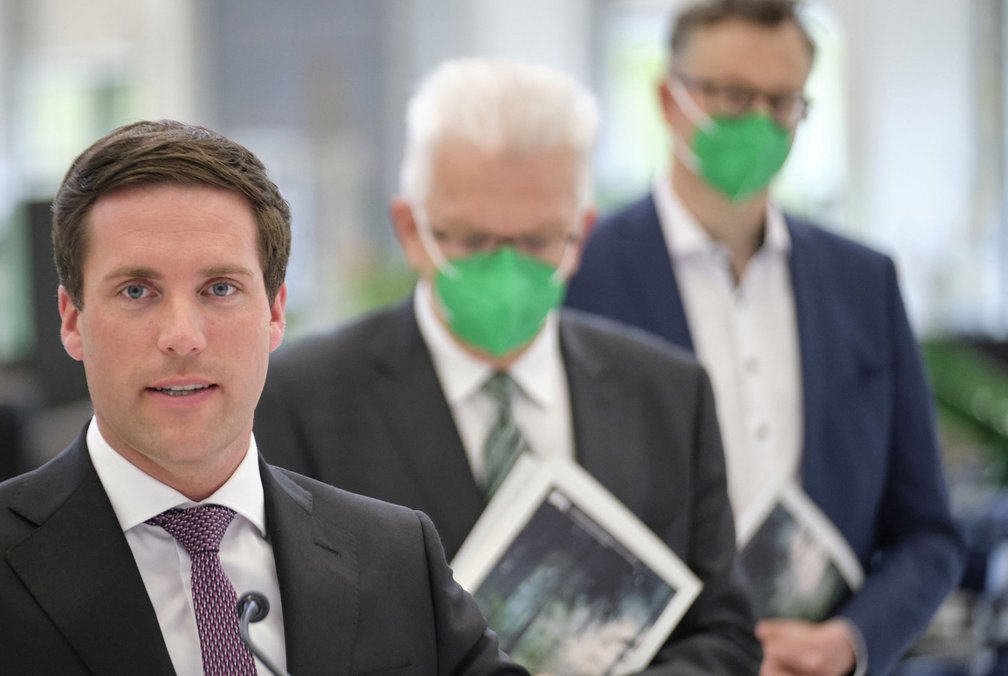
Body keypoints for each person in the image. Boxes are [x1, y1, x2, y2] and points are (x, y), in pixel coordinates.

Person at [0, 120, 525, 676]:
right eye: (137, 291)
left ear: (276, 312)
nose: (182, 336)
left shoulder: (394, 554)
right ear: (71, 320)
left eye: (220, 289)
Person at [255, 58, 762, 672]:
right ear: (411, 230)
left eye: (535, 242)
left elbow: (725, 635)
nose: (506, 269)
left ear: (581, 233)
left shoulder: (669, 395)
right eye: (471, 241)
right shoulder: (301, 398)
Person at [563, 1, 966, 675]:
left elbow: (927, 531)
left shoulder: (863, 283)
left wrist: (850, 642)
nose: (758, 122)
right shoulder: (583, 274)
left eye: (781, 102)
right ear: (669, 100)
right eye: (730, 96)